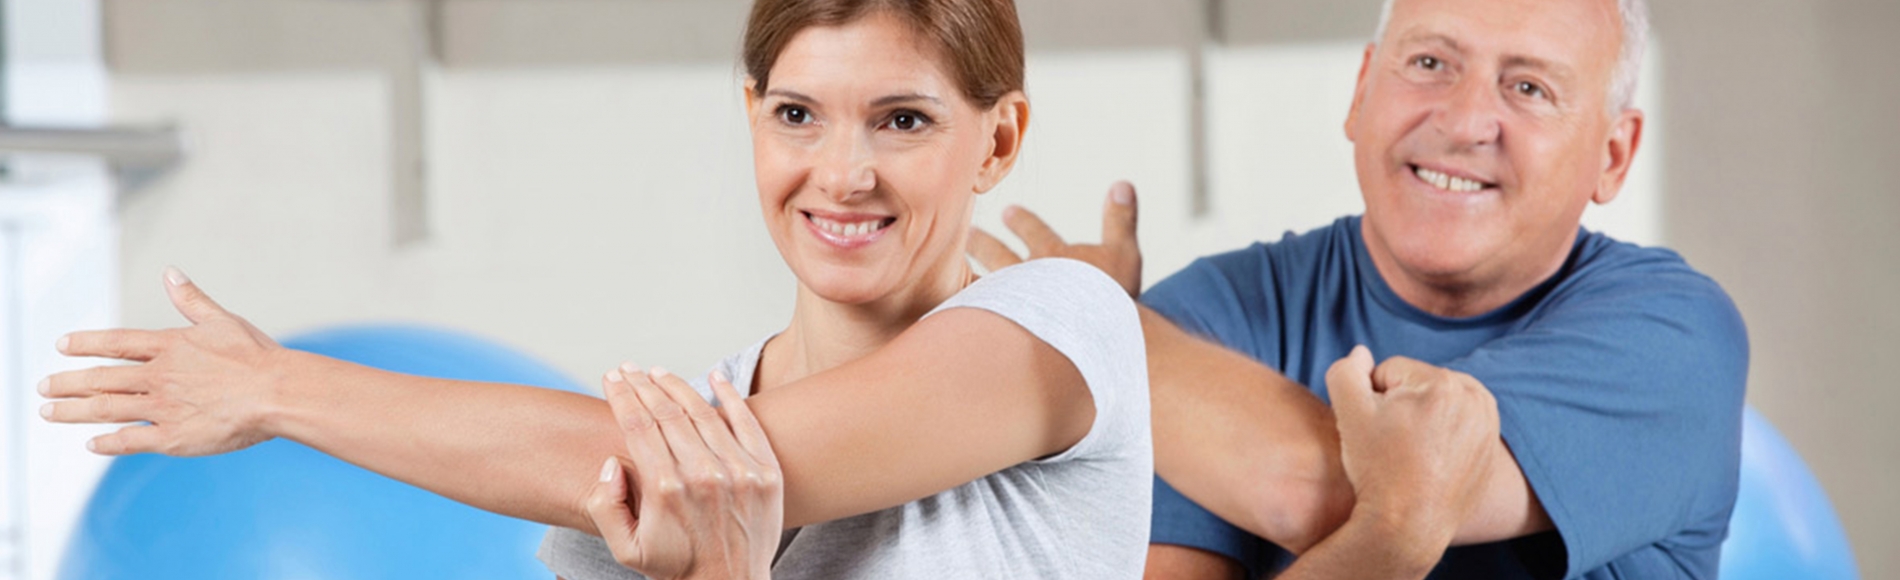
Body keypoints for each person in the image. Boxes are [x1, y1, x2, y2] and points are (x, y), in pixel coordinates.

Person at [37, 0, 1155, 578]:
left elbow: (650, 467)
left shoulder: (1063, 323)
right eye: (797, 115)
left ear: (998, 139)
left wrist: (276, 388)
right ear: (752, 118)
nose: (842, 173)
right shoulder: (676, 438)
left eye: (902, 120)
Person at [972, 0, 1749, 577]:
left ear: (1614, 155)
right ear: (1362, 90)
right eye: (1431, 63)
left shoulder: (1677, 337)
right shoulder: (1212, 314)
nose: (1464, 121)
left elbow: (1330, 490)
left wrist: (1101, 335)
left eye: (1529, 87)